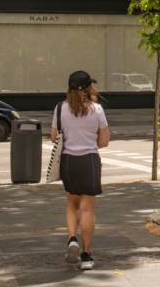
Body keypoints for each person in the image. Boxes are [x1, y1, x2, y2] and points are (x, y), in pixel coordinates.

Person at [50, 70, 110, 270]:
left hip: (68, 161)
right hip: (89, 162)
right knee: (87, 209)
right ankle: (86, 254)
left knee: (71, 204)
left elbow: (53, 138)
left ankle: (71, 239)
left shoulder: (60, 109)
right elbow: (104, 141)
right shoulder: (97, 110)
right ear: (89, 88)